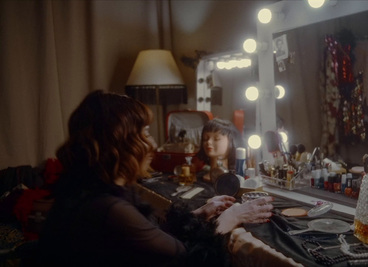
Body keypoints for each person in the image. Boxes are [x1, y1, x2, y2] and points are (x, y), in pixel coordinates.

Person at [38, 90, 274, 267]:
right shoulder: (108, 208)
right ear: (119, 143)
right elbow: (186, 257)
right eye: (145, 133)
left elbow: (148, 233)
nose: (151, 144)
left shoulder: (95, 191)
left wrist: (200, 213)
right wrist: (231, 217)